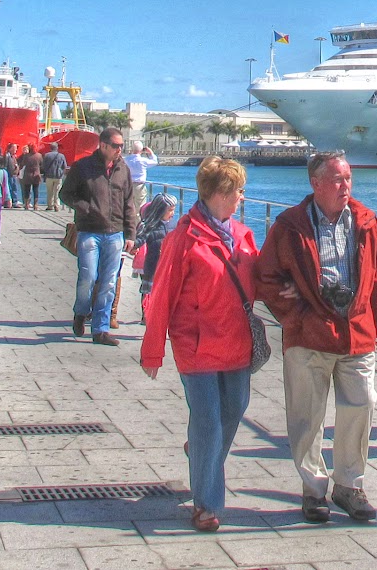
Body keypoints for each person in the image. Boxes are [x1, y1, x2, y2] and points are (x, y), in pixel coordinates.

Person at [255, 151, 377, 523]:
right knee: (307, 416)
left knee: (361, 405)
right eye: (337, 179)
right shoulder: (290, 224)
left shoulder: (366, 221)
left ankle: (350, 485)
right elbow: (265, 276)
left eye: (348, 178)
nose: (345, 186)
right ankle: (313, 489)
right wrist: (295, 314)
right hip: (309, 334)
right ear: (315, 184)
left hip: (356, 330)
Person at [140, 156, 258, 533]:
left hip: (236, 340)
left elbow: (261, 281)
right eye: (238, 190)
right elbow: (163, 294)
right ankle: (206, 504)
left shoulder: (242, 235)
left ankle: (200, 456)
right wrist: (153, 350)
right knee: (208, 421)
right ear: (220, 193)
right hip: (196, 343)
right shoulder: (183, 237)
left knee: (234, 410)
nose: (242, 196)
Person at [59, 128, 139, 345]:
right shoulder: (83, 167)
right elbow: (65, 194)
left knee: (109, 281)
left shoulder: (123, 170)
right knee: (88, 276)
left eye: (121, 146)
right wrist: (86, 208)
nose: (119, 150)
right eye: (115, 146)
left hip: (115, 234)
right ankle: (81, 312)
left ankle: (100, 329)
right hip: (89, 231)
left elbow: (130, 203)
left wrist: (131, 233)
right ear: (103, 146)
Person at [133, 194, 177, 323]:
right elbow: (140, 238)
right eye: (169, 210)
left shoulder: (174, 225)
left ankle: (164, 315)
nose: (172, 213)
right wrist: (133, 245)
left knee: (167, 291)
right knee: (148, 290)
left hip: (169, 265)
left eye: (174, 209)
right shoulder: (150, 225)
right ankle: (146, 314)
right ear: (160, 210)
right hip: (152, 264)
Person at [123, 140, 159, 211]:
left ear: (132, 149)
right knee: (140, 208)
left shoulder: (126, 160)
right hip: (139, 186)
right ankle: (138, 222)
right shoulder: (143, 160)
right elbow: (155, 162)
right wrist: (151, 152)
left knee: (128, 207)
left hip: (128, 185)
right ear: (141, 150)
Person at [40, 142, 67, 211]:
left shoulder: (46, 155)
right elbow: (64, 166)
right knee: (57, 192)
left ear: (50, 148)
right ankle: (57, 205)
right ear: (57, 148)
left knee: (49, 192)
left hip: (49, 176)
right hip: (58, 176)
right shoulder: (61, 156)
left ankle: (50, 206)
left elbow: (43, 166)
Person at [18, 144, 43, 211]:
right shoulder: (39, 155)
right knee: (36, 190)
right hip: (36, 174)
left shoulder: (26, 156)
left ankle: (26, 204)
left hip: (28, 174)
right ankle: (35, 205)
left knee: (27, 190)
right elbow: (41, 164)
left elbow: (23, 163)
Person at [3, 143, 22, 207]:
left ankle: (14, 201)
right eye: (14, 148)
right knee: (10, 188)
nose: (15, 150)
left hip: (14, 175)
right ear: (10, 148)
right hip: (9, 175)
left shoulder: (13, 156)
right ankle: (9, 201)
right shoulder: (7, 156)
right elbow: (5, 165)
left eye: (16, 148)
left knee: (14, 188)